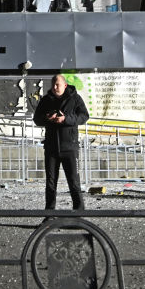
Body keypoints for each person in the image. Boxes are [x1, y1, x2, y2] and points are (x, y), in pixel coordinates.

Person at [33, 74, 90, 211]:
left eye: (57, 84)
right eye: (53, 84)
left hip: (70, 147)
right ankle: (49, 214)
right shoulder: (46, 100)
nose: (54, 87)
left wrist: (65, 119)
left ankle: (79, 213)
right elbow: (37, 119)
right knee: (51, 183)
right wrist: (48, 118)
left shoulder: (75, 98)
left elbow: (84, 116)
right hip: (51, 148)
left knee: (74, 182)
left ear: (65, 85)